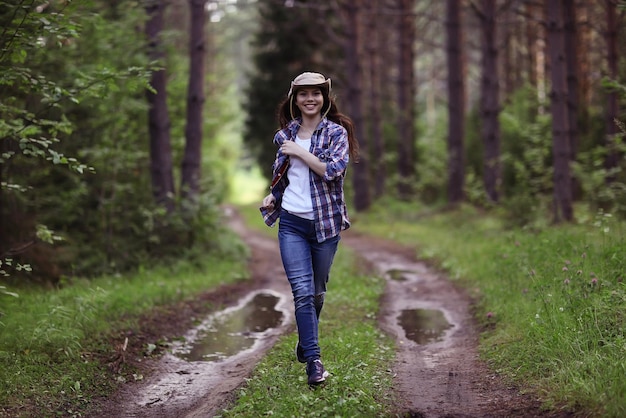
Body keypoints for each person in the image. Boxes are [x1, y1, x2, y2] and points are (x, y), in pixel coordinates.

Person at [260, 72, 359, 386]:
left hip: (325, 225)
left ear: (324, 98)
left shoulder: (336, 133)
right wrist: (273, 194)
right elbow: (286, 176)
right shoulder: (284, 135)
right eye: (303, 94)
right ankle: (314, 362)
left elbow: (332, 171)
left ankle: (305, 341)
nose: (310, 99)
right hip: (291, 223)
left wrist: (300, 151)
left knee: (316, 294)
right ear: (295, 99)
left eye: (316, 93)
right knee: (302, 294)